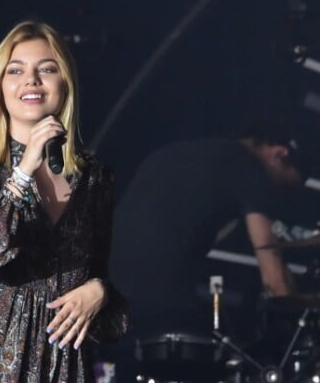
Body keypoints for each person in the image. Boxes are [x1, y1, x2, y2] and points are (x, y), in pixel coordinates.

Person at [0, 20, 129, 382]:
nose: (31, 80)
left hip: (58, 368)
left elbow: (109, 315)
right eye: (16, 70)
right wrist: (23, 171)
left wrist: (99, 291)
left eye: (46, 69)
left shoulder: (94, 176)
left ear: (65, 83)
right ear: (0, 87)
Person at [105, 124, 307, 379]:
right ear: (279, 154)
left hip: (108, 276)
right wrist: (299, 327)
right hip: (159, 279)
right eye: (284, 187)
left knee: (134, 364)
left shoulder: (183, 151)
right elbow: (273, 272)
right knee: (214, 360)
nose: (279, 197)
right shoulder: (250, 169)